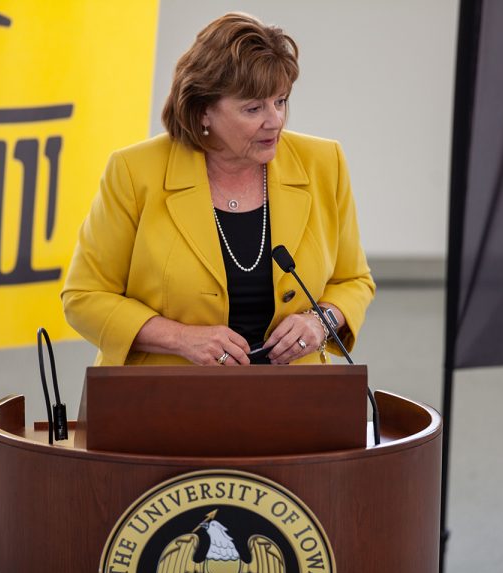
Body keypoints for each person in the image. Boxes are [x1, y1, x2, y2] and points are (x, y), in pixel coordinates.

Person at [62, 12, 374, 366]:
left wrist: (321, 321)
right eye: (253, 108)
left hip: (294, 400)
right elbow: (83, 297)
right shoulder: (135, 172)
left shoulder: (323, 163)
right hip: (162, 400)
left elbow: (354, 281)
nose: (275, 121)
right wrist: (179, 338)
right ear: (203, 112)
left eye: (281, 101)